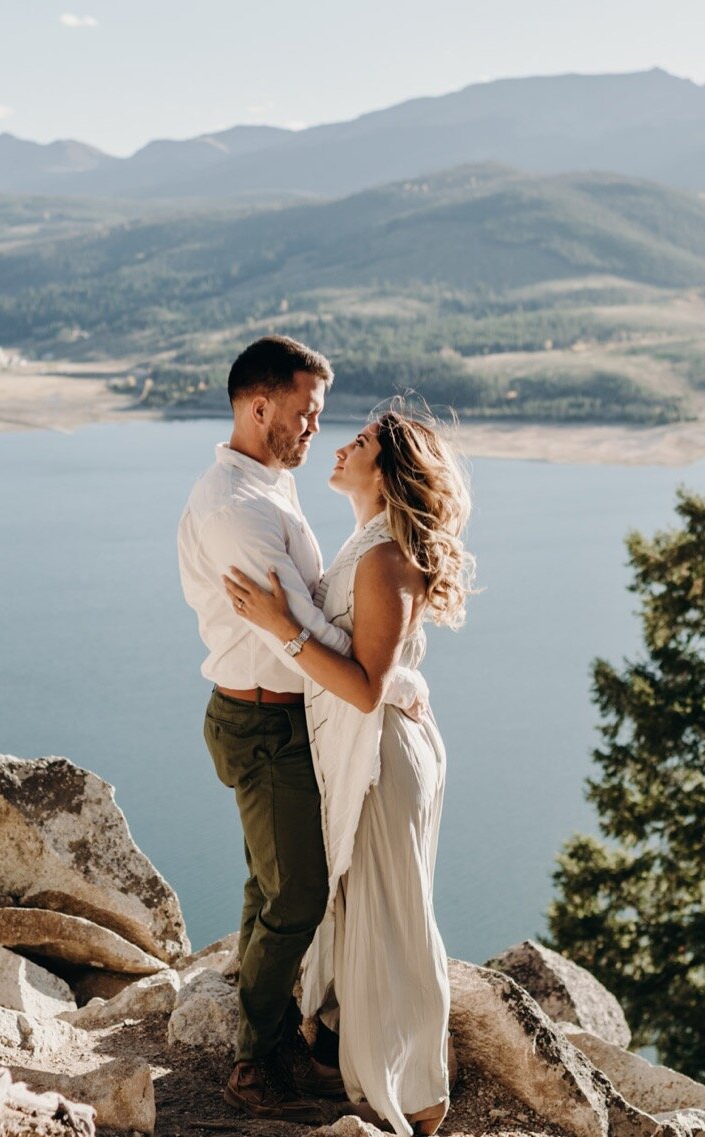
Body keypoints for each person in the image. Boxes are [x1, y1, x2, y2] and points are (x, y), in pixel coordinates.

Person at [177, 336, 429, 1122]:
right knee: (299, 894)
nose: (316, 427)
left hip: (285, 716)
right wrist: (383, 675)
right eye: (305, 412)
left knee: (271, 885)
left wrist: (391, 673)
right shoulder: (238, 509)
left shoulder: (269, 485)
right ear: (260, 408)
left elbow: (321, 619)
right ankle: (256, 1065)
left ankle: (274, 1033)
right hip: (263, 721)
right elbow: (312, 628)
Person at [223, 404, 473, 1137]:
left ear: (389, 470)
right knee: (363, 907)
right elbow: (371, 660)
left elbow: (365, 681)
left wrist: (281, 627)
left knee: (392, 915)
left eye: (359, 441)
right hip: (374, 747)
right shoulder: (367, 543)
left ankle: (419, 1097)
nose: (339, 446)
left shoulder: (387, 555)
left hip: (387, 758)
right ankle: (351, 1052)